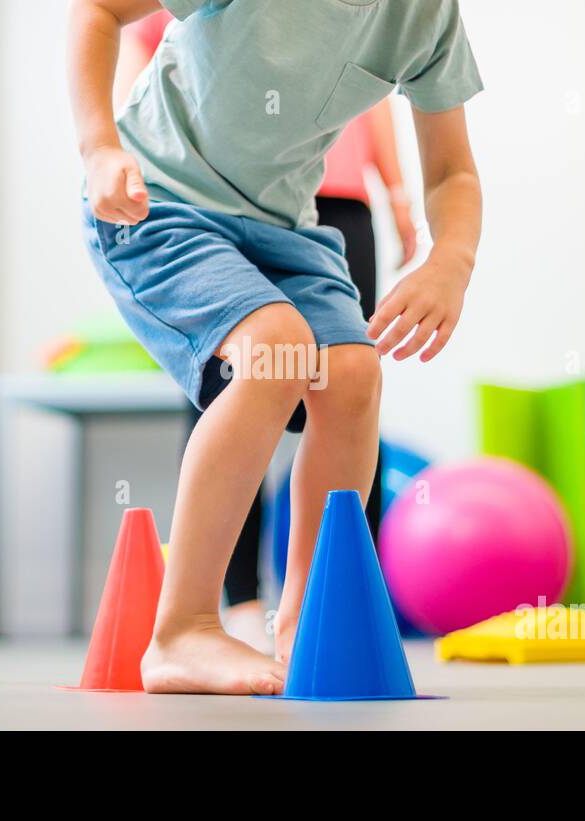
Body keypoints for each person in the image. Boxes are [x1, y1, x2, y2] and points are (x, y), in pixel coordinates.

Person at [70, 0, 482, 695]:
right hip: (158, 203)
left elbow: (452, 172)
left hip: (284, 228)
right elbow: (99, 11)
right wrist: (99, 146)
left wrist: (453, 261)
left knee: (352, 373)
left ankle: (302, 620)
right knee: (276, 346)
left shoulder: (425, 15)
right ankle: (183, 628)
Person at [114, 9, 419, 654]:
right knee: (238, 385)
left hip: (329, 204)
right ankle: (237, 603)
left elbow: (379, 98)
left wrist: (396, 189)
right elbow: (143, 56)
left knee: (350, 378)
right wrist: (118, 158)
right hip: (208, 194)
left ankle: (325, 604)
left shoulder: (381, 24)